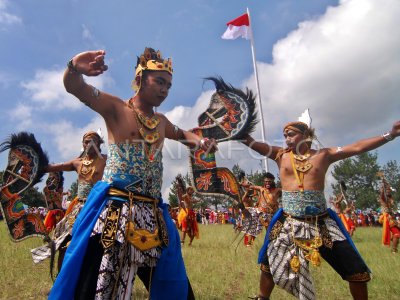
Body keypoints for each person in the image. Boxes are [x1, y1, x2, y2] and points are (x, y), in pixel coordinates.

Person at [48, 48, 217, 300]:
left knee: (177, 290)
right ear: (139, 80)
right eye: (159, 82)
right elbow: (75, 88)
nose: (164, 90)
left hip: (152, 215)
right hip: (116, 214)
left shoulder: (161, 122)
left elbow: (183, 135)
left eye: (169, 86)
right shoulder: (116, 108)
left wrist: (202, 143)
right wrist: (73, 67)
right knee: (96, 290)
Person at [242, 118, 400, 300]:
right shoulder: (280, 155)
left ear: (306, 135)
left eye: (291, 134)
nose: (287, 139)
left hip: (321, 222)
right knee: (269, 262)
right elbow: (253, 143)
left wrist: (390, 135)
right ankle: (262, 297)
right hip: (288, 220)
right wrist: (239, 131)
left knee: (356, 271)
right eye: (285, 136)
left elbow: (357, 147)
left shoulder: (324, 155)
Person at [31, 131, 106, 272]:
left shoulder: (106, 160)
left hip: (100, 207)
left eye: (93, 141)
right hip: (80, 208)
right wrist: (33, 162)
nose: (89, 144)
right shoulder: (76, 163)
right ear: (82, 144)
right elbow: (51, 168)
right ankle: (62, 279)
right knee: (63, 243)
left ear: (99, 144)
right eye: (86, 141)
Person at [378, 178, 400, 253]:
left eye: (389, 190)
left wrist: (385, 182)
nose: (388, 191)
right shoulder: (383, 198)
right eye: (386, 190)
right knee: (397, 234)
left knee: (397, 234)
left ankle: (394, 247)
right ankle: (394, 251)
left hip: (392, 218)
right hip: (387, 219)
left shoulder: (390, 198)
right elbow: (382, 195)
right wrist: (383, 186)